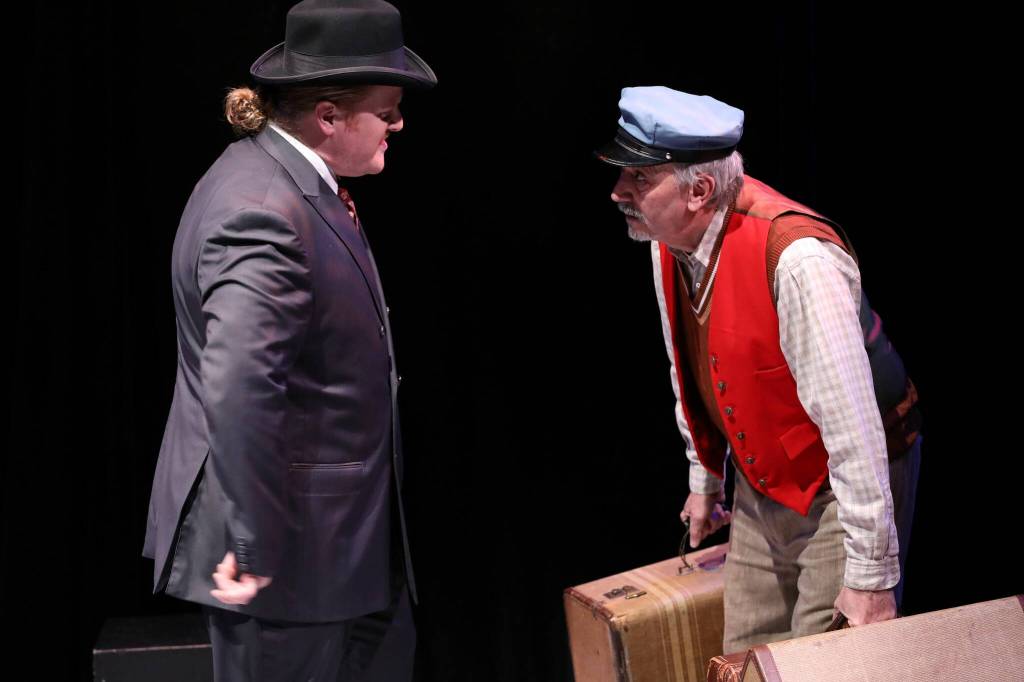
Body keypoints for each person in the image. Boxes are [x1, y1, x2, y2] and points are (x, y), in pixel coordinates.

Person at [141, 1, 436, 679]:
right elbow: (240, 388)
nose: (399, 123)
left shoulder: (293, 183)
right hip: (287, 565)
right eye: (387, 109)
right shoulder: (261, 209)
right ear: (329, 116)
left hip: (335, 557)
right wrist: (254, 541)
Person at [594, 86, 921, 652]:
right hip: (763, 480)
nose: (618, 191)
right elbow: (688, 367)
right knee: (745, 657)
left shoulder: (798, 261)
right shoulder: (666, 242)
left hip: (844, 489)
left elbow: (854, 431)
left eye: (639, 178)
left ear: (698, 190)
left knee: (819, 662)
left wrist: (872, 576)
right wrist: (707, 480)